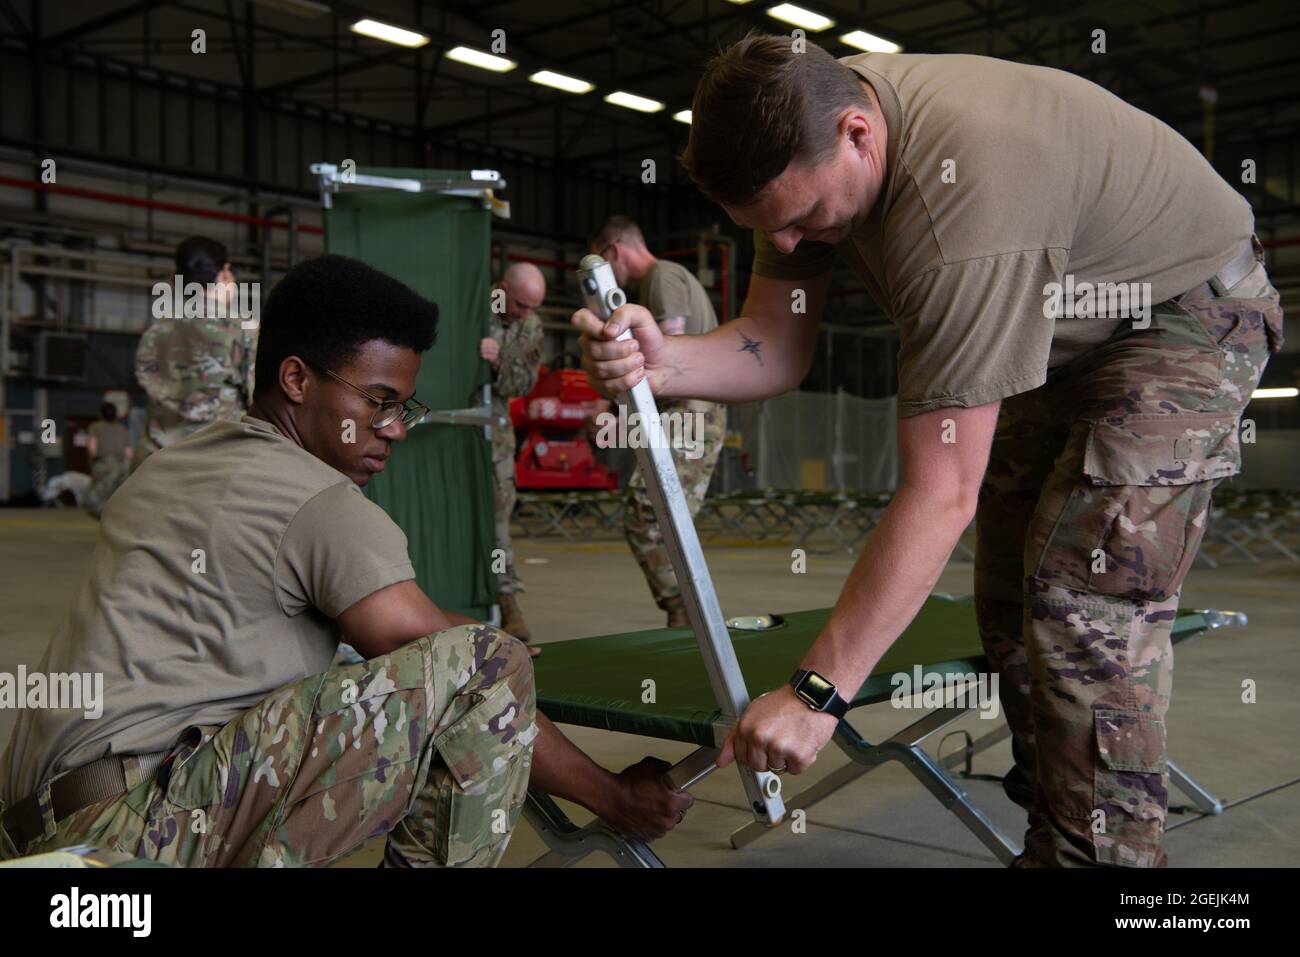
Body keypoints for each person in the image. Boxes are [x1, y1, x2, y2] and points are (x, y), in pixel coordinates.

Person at [575, 34, 1283, 868]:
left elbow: (942, 493)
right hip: (1062, 333)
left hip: (1182, 317)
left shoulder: (960, 210)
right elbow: (774, 340)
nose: (794, 245)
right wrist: (669, 363)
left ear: (858, 134)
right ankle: (1057, 836)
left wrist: (815, 693)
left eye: (803, 219)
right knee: (1009, 596)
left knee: (1083, 600)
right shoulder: (799, 152)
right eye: (773, 231)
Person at [0, 254, 690, 867]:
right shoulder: (321, 503)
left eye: (403, 406)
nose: (393, 429)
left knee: (393, 657)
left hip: (35, 823)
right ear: (297, 379)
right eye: (378, 402)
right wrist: (613, 795)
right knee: (487, 668)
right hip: (127, 836)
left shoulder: (171, 463)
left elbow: (400, 627)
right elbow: (455, 659)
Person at [589, 216, 726, 627]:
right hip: (688, 412)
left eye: (600, 264)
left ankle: (686, 612)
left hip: (692, 412)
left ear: (614, 250)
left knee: (648, 513)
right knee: (666, 518)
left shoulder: (661, 279)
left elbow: (668, 355)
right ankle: (686, 615)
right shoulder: (662, 279)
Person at [132, 236, 255, 472]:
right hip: (217, 463)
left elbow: (151, 389)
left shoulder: (156, 332)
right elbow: (259, 401)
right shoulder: (243, 330)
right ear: (225, 274)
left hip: (158, 463)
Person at [480, 262, 546, 649]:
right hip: (451, 427)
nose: (524, 313)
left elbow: (522, 382)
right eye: (520, 304)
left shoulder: (531, 326)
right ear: (502, 288)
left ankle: (507, 601)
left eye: (531, 307)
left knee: (498, 522)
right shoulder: (473, 306)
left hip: (496, 434)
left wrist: (498, 357)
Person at [83, 401, 131, 519]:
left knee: (96, 496)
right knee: (118, 494)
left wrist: (91, 460)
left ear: (101, 414)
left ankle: (102, 516)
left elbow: (92, 448)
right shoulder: (122, 429)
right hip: (123, 465)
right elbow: (129, 452)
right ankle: (117, 516)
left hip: (105, 463)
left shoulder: (95, 427)